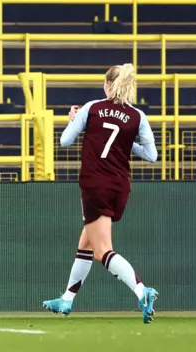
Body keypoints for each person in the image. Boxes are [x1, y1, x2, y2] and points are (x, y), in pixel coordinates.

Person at [42, 63, 159, 324]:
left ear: (107, 84)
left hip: (95, 183)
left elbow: (64, 141)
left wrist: (73, 121)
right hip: (120, 186)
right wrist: (128, 144)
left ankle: (142, 291)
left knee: (102, 250)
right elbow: (152, 155)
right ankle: (67, 300)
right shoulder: (137, 116)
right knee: (86, 243)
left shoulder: (91, 108)